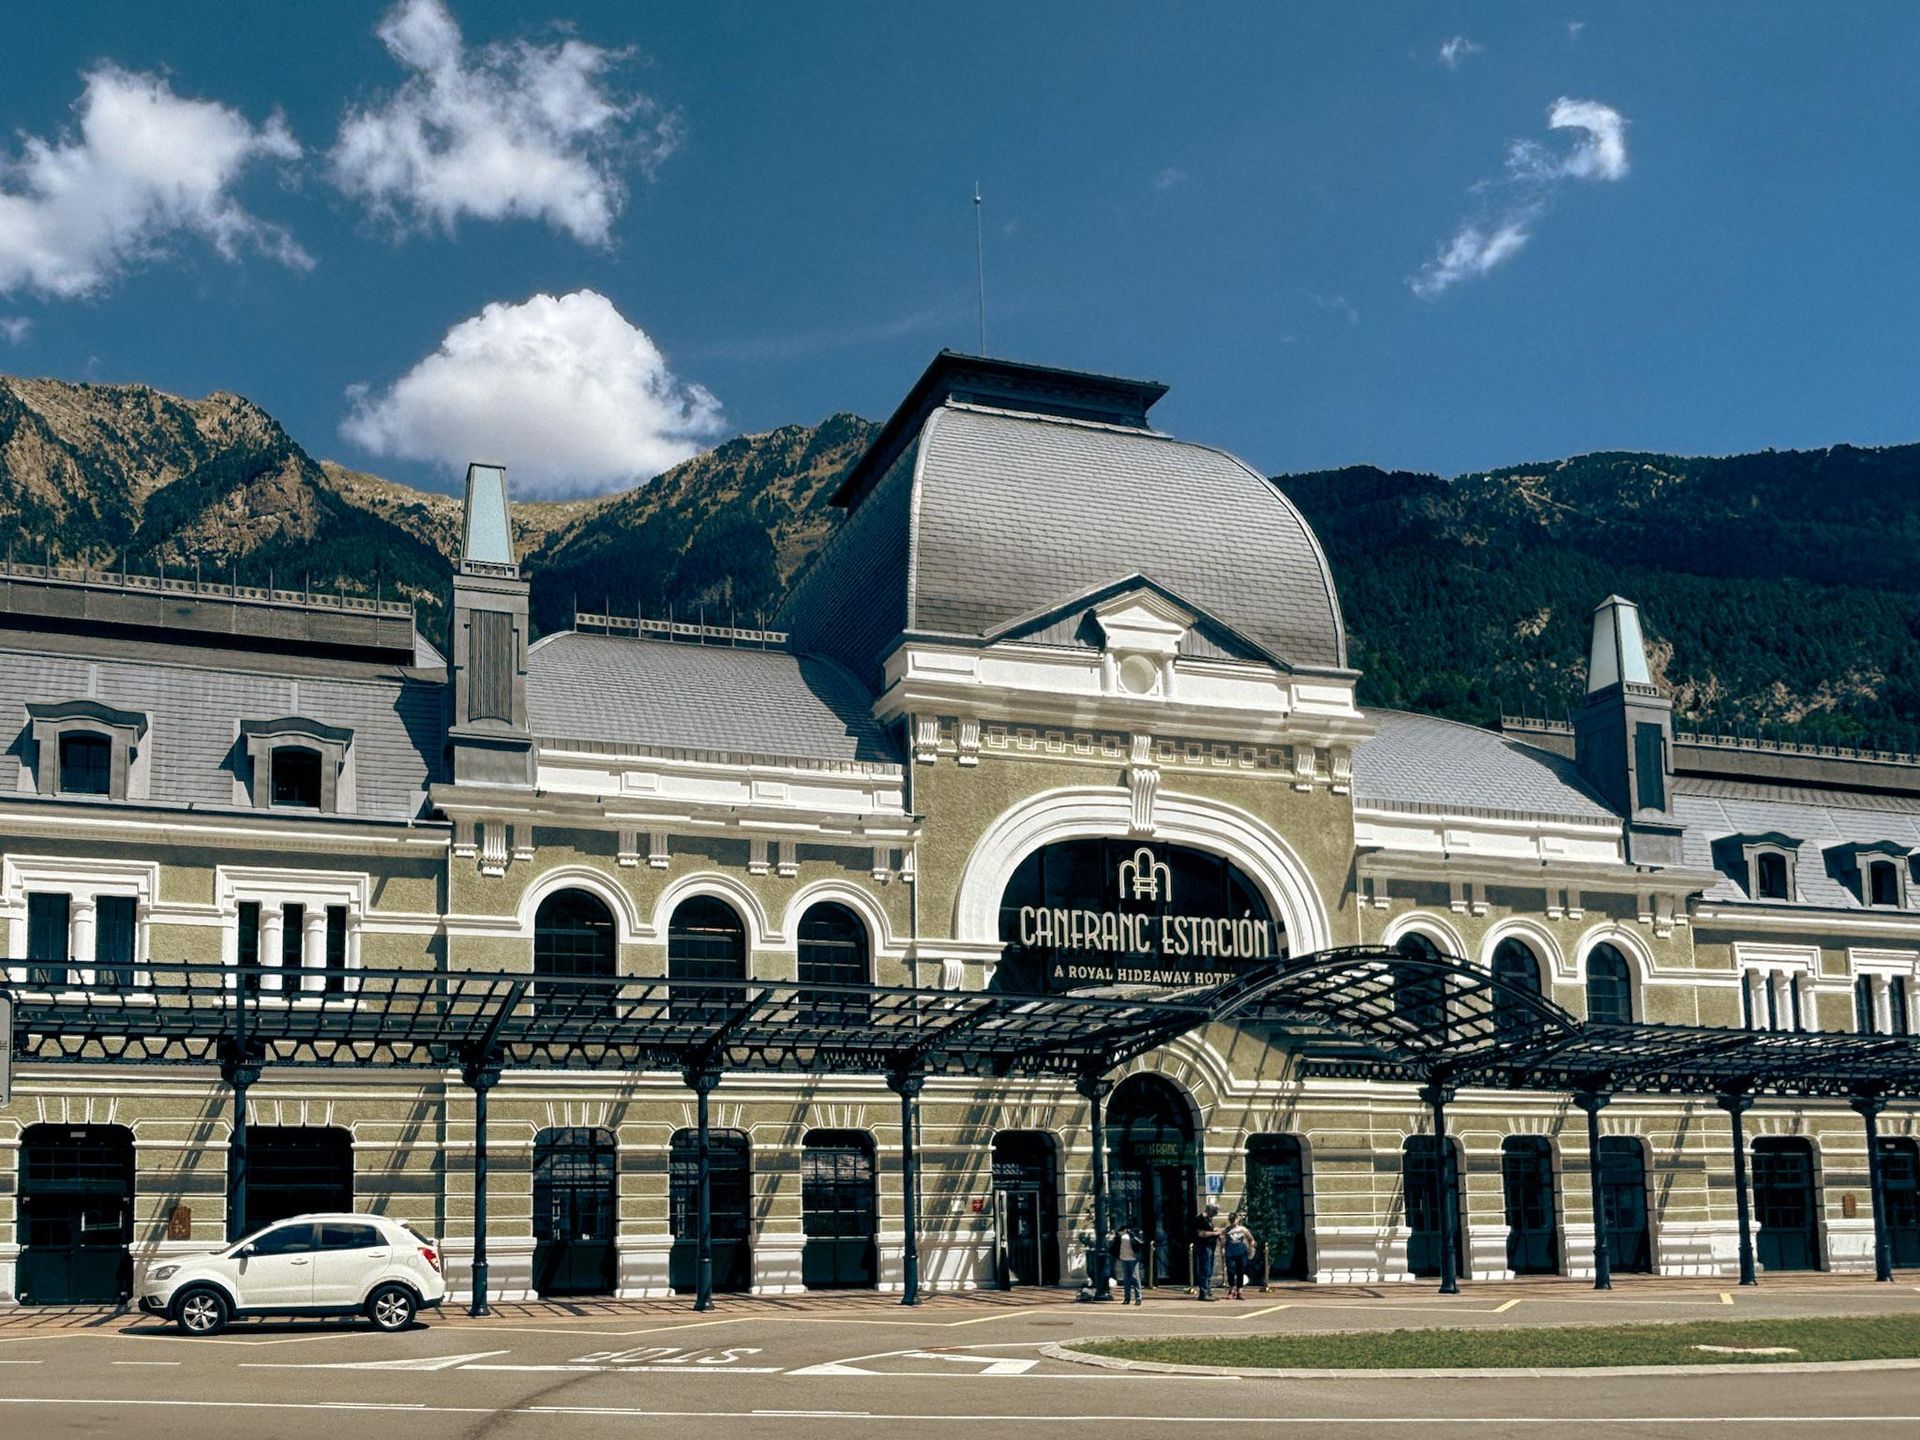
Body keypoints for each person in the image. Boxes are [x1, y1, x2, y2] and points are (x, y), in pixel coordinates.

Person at [1222, 1211, 1257, 1300]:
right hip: (1230, 1253)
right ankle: (1231, 1289)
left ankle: (1239, 1291)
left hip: (1241, 1252)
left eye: (1234, 1219)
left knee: (1240, 1271)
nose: (1233, 1221)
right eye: (1231, 1219)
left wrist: (1251, 1247)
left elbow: (1251, 1239)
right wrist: (1222, 1250)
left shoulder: (1243, 1229)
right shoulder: (1227, 1230)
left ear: (1238, 1220)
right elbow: (1223, 1241)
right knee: (1230, 1271)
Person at [1109, 1223, 1145, 1305]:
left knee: (1133, 1277)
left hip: (1132, 1258)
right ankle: (1128, 1297)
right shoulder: (1120, 1236)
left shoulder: (1132, 1234)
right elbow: (1115, 1246)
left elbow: (1139, 1243)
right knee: (1128, 1278)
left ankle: (1137, 1297)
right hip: (1125, 1257)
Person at [1191, 1208, 1218, 1300]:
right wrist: (1214, 1233)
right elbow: (1201, 1233)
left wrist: (1215, 1230)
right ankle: (1204, 1292)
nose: (1215, 1215)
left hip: (1210, 1246)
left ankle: (1208, 1291)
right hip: (1204, 1246)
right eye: (1215, 1212)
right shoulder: (1200, 1219)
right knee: (1205, 1269)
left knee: (1209, 1269)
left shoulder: (1208, 1219)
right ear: (1210, 1210)